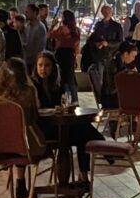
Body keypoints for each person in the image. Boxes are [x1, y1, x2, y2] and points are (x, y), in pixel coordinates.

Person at [31, 51, 104, 190]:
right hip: (43, 131)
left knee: (83, 134)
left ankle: (84, 177)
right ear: (35, 67)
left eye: (47, 66)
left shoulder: (56, 86)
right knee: (84, 130)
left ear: (53, 68)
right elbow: (36, 109)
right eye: (40, 65)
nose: (43, 69)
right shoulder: (33, 86)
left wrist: (66, 107)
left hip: (58, 126)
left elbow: (61, 103)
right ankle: (102, 148)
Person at [0, 57, 46, 198]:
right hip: (23, 148)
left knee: (17, 134)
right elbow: (33, 118)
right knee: (25, 135)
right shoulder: (28, 92)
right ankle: (20, 182)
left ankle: (19, 182)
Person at [48, 10, 81, 104]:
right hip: (70, 55)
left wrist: (52, 25)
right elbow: (76, 45)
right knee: (70, 78)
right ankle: (74, 99)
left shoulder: (61, 29)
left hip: (61, 54)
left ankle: (63, 99)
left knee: (61, 78)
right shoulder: (76, 30)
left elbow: (48, 35)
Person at [99, 40, 140, 111]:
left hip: (112, 97)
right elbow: (111, 88)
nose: (133, 59)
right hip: (111, 99)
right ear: (126, 54)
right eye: (133, 56)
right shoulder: (113, 65)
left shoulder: (119, 63)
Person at [80, 33, 110, 106]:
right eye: (99, 43)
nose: (100, 45)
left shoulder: (93, 49)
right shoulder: (90, 49)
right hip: (93, 71)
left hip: (93, 71)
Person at [22, 3, 47, 73]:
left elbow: (40, 47)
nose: (25, 14)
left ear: (35, 13)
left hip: (35, 63)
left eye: (28, 12)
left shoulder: (40, 28)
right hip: (27, 61)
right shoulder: (27, 26)